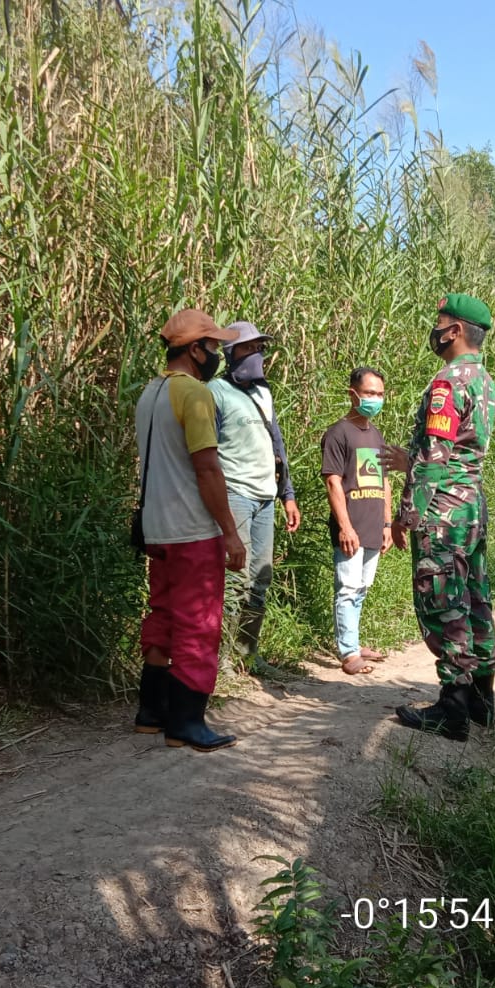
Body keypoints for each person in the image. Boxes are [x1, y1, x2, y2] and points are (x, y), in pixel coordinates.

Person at [382, 293, 495, 741]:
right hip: (471, 506)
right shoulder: (486, 381)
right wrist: (408, 461)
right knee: (474, 595)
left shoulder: (448, 384)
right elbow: (460, 454)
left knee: (444, 600)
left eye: (440, 322)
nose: (435, 329)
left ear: (454, 331)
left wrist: (404, 516)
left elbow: (435, 458)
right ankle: (482, 701)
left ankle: (452, 706)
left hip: (443, 511)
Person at [132, 308, 247, 753]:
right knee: (199, 624)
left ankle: (151, 713)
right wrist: (231, 533)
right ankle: (186, 723)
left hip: (157, 529)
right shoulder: (194, 395)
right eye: (214, 346)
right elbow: (207, 469)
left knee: (162, 614)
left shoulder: (151, 392)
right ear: (195, 349)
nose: (218, 354)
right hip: (191, 530)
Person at [207, 320, 301, 677]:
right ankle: (224, 661)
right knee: (235, 578)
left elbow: (278, 446)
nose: (256, 355)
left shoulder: (264, 393)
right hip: (235, 494)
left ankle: (249, 654)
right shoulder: (215, 392)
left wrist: (287, 495)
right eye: (248, 348)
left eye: (260, 348)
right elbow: (206, 453)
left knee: (261, 578)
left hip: (266, 498)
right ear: (231, 354)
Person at [320, 367, 393, 676]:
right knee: (347, 588)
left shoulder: (375, 434)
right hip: (351, 527)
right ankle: (348, 652)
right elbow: (333, 482)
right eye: (369, 393)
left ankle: (354, 641)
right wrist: (345, 526)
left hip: (374, 526)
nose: (374, 399)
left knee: (361, 587)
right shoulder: (338, 433)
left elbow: (386, 481)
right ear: (353, 394)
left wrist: (388, 523)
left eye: (379, 394)